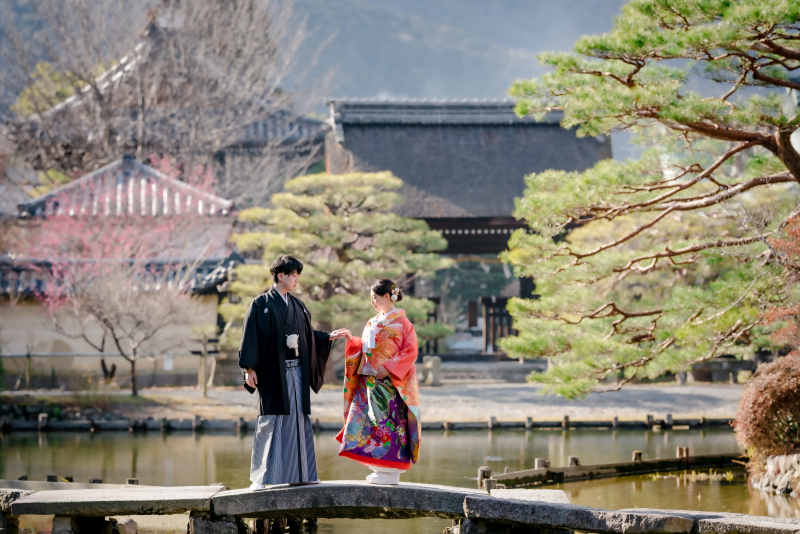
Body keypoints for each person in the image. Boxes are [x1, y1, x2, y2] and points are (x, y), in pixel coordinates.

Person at [239, 255, 347, 490]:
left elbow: (307, 335)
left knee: (299, 421)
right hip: (271, 373)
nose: (297, 279)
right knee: (271, 420)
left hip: (296, 371)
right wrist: (249, 369)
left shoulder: (298, 305)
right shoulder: (261, 304)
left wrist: (326, 337)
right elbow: (251, 338)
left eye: (298, 275)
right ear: (281, 275)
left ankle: (303, 474)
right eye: (293, 275)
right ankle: (261, 478)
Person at [336, 279, 421, 485]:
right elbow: (365, 348)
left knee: (388, 425)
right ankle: (379, 468)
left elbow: (410, 351)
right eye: (371, 298)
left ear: (386, 296)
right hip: (369, 382)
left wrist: (390, 367)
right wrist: (352, 340)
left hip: (391, 384)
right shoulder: (372, 321)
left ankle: (389, 470)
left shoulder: (403, 323)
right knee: (370, 424)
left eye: (375, 297)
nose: (372, 301)